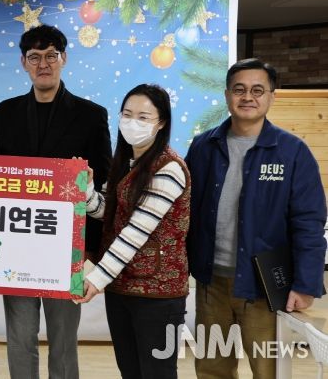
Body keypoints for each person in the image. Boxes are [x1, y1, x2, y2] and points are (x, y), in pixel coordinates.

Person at [186, 58, 327, 379]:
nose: (247, 97)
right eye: (239, 89)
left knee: (268, 371)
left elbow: (309, 223)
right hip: (211, 283)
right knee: (211, 369)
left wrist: (305, 284)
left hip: (265, 287)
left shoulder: (292, 152)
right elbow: (186, 211)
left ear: (271, 96)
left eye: (257, 90)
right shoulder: (204, 146)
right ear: (227, 95)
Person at [0, 24, 112, 379]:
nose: (43, 64)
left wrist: (91, 249)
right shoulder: (5, 112)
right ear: (23, 63)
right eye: (34, 57)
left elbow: (102, 185)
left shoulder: (91, 116)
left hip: (66, 249)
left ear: (64, 58)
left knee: (63, 338)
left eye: (51, 56)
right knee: (20, 337)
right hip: (16, 247)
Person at [76, 84, 190, 379]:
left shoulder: (169, 169)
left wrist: (96, 279)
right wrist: (86, 192)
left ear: (161, 122)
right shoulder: (125, 163)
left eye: (143, 117)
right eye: (127, 115)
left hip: (157, 295)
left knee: (157, 372)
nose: (132, 123)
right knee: (130, 370)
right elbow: (110, 211)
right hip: (121, 288)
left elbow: (135, 232)